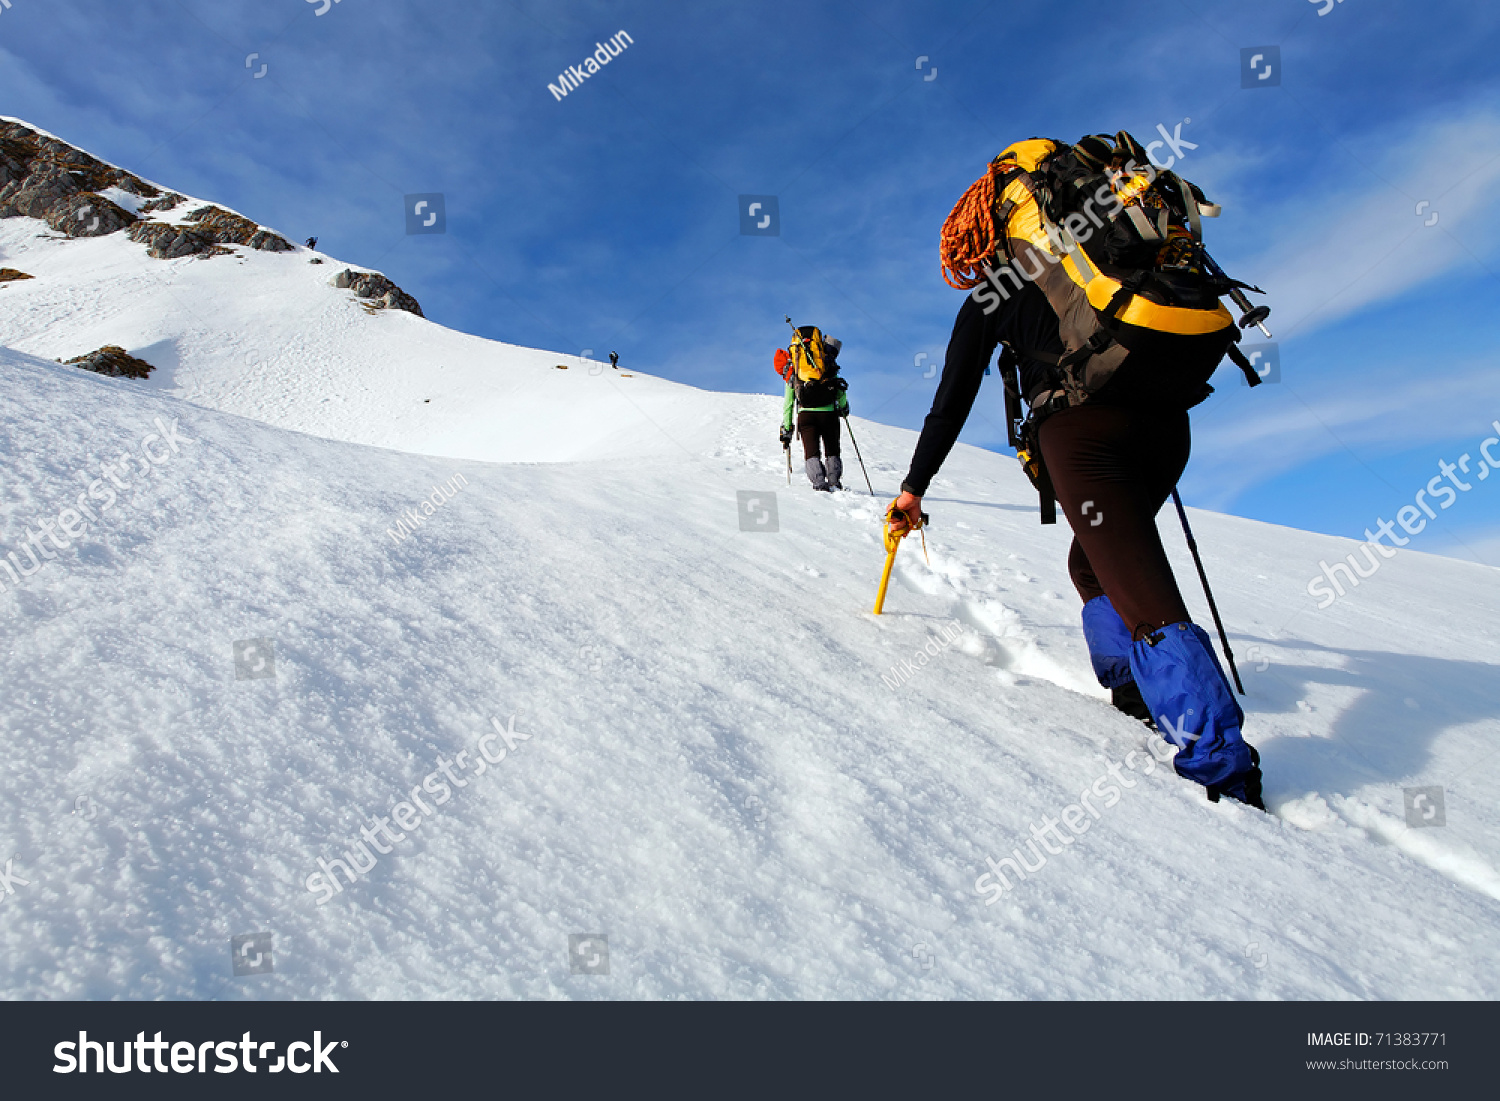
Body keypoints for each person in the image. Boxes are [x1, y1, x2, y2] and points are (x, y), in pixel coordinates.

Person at [887, 154, 1264, 809]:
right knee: (1092, 565)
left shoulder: (993, 289)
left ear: (991, 224)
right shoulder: (1104, 265)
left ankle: (1223, 768)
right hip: (1165, 426)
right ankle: (1132, 689)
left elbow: (950, 402)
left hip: (1084, 439)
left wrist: (913, 487)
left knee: (1147, 603)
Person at [779, 333, 849, 491]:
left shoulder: (795, 371)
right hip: (829, 413)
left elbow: (788, 403)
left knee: (811, 452)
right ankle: (834, 482)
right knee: (832, 449)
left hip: (806, 415)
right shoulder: (826, 364)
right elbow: (839, 390)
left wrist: (787, 426)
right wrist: (844, 408)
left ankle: (818, 483)